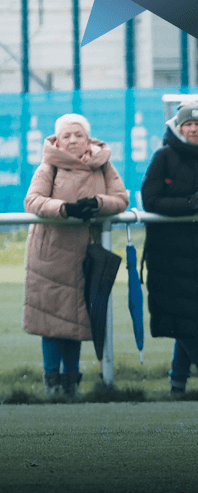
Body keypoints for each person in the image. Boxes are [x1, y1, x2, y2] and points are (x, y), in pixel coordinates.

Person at [23, 114, 128, 399]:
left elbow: (121, 198)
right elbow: (32, 200)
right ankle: (52, 382)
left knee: (78, 320)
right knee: (51, 321)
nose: (72, 140)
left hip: (85, 254)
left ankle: (71, 384)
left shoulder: (103, 165)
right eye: (66, 136)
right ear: (57, 140)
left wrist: (98, 203)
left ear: (88, 139)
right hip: (50, 255)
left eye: (78, 135)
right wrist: (66, 210)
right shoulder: (48, 166)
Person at [141, 100, 198, 394]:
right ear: (179, 127)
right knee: (186, 320)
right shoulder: (163, 156)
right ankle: (178, 383)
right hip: (171, 254)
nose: (194, 129)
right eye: (189, 124)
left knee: (188, 319)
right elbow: (150, 200)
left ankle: (178, 383)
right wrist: (189, 206)